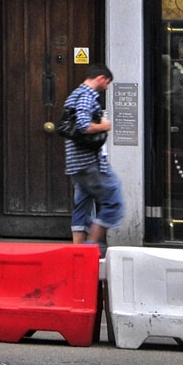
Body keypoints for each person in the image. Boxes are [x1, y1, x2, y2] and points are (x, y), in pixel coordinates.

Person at [62, 63, 124, 246]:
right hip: (89, 163)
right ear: (100, 79)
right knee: (114, 201)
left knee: (82, 205)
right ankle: (91, 247)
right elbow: (83, 126)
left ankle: (79, 253)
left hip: (77, 164)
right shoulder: (86, 97)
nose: (106, 87)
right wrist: (104, 126)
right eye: (107, 83)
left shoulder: (74, 95)